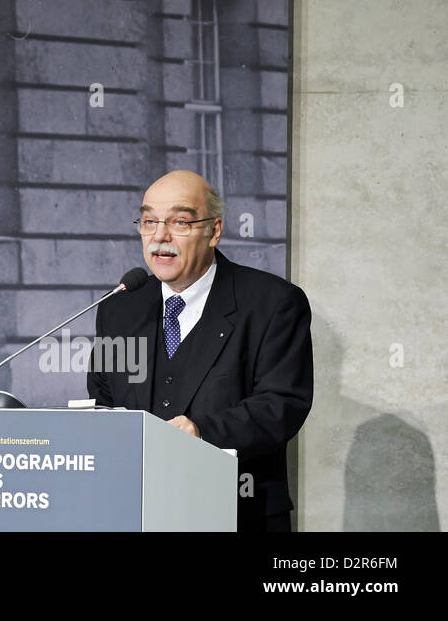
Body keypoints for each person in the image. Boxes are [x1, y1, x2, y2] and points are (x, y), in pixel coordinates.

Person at [87, 170, 313, 531]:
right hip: (137, 511)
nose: (160, 236)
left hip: (239, 511)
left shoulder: (272, 302)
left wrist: (202, 432)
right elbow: (103, 397)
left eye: (180, 221)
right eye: (149, 221)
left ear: (214, 231)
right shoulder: (119, 309)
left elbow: (282, 404)